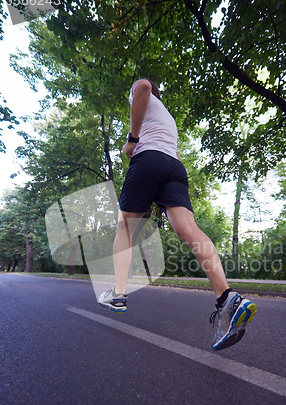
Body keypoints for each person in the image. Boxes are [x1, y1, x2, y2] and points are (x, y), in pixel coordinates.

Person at [98, 78, 257, 350]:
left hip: (148, 160)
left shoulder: (141, 93)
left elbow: (144, 87)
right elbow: (173, 151)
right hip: (174, 168)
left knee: (125, 228)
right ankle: (227, 297)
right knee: (188, 229)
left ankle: (119, 294)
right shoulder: (166, 117)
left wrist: (132, 140)